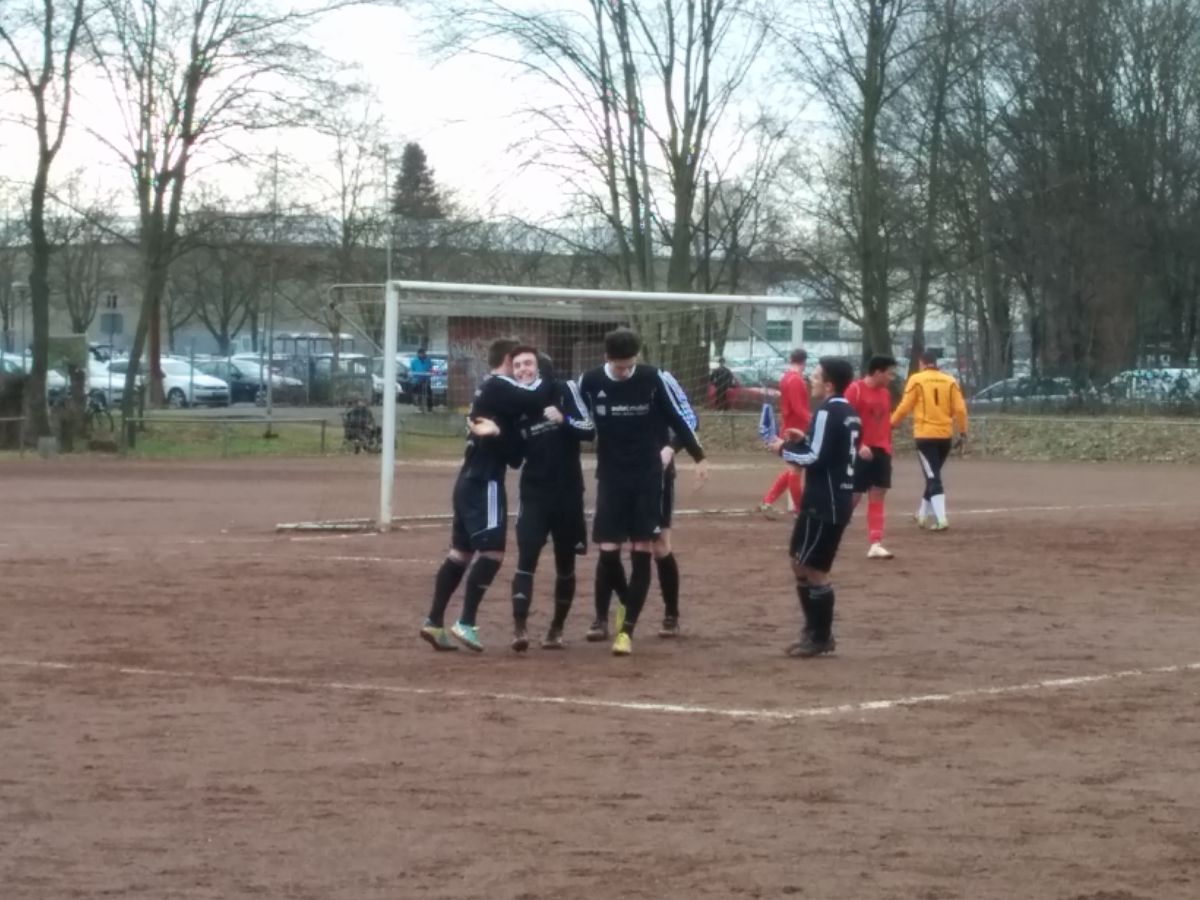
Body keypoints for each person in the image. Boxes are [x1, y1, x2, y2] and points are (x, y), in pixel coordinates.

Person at [419, 338, 560, 653]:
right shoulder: (499, 385)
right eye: (518, 363)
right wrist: (550, 377)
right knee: (493, 552)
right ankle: (466, 622)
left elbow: (514, 456)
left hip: (469, 480)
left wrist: (501, 434)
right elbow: (537, 395)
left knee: (461, 553)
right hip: (485, 482)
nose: (522, 370)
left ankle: (434, 621)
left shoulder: (494, 393)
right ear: (508, 360)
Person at [577, 328, 708, 656]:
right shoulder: (589, 382)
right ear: (607, 358)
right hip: (612, 476)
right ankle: (609, 612)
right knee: (608, 550)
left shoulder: (657, 378)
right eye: (619, 366)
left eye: (630, 365)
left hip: (652, 475)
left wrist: (684, 452)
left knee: (656, 547)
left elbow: (685, 418)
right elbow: (577, 419)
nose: (625, 371)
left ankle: (661, 617)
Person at [767, 357, 861, 658]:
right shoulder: (848, 412)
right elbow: (830, 449)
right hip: (827, 499)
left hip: (826, 501)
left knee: (815, 569)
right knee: (799, 560)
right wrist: (804, 438)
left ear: (829, 384)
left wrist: (783, 448)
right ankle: (813, 630)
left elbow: (814, 458)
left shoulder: (827, 411)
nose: (811, 379)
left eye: (817, 376)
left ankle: (820, 636)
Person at [508, 350, 594, 652]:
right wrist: (498, 435)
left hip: (568, 492)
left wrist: (563, 419)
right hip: (534, 493)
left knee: (565, 562)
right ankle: (519, 629)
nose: (522, 370)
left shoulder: (565, 389)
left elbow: (589, 430)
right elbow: (514, 458)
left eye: (527, 364)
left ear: (541, 368)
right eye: (517, 366)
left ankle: (556, 629)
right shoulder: (514, 402)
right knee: (526, 557)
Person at [890, 349, 968, 531]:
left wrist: (891, 424)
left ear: (922, 363)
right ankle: (922, 514)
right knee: (932, 474)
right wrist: (963, 432)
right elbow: (960, 409)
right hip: (945, 436)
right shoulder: (950, 381)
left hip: (925, 436)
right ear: (936, 363)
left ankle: (942, 519)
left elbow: (905, 406)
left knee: (933, 477)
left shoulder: (916, 379)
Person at [845, 355, 899, 559]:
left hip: (881, 451)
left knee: (878, 494)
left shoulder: (885, 393)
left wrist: (888, 446)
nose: (892, 378)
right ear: (878, 372)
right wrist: (858, 445)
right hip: (860, 451)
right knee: (853, 495)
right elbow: (845, 420)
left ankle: (875, 543)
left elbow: (884, 422)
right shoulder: (855, 389)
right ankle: (830, 532)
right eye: (889, 373)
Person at [759, 349, 811, 519]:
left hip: (789, 426)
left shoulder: (786, 377)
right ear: (804, 362)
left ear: (791, 359)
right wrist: (812, 420)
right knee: (795, 469)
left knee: (792, 468)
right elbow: (798, 407)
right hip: (797, 429)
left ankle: (767, 501)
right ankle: (799, 510)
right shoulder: (796, 380)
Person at [410, 347, 434, 412]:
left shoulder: (428, 361)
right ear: (418, 354)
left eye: (423, 353)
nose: (421, 355)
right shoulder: (414, 361)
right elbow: (412, 371)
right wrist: (416, 377)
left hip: (426, 379)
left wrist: (429, 374)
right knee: (418, 391)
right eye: (420, 354)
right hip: (417, 380)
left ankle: (429, 407)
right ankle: (419, 406)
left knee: (429, 392)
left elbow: (431, 369)